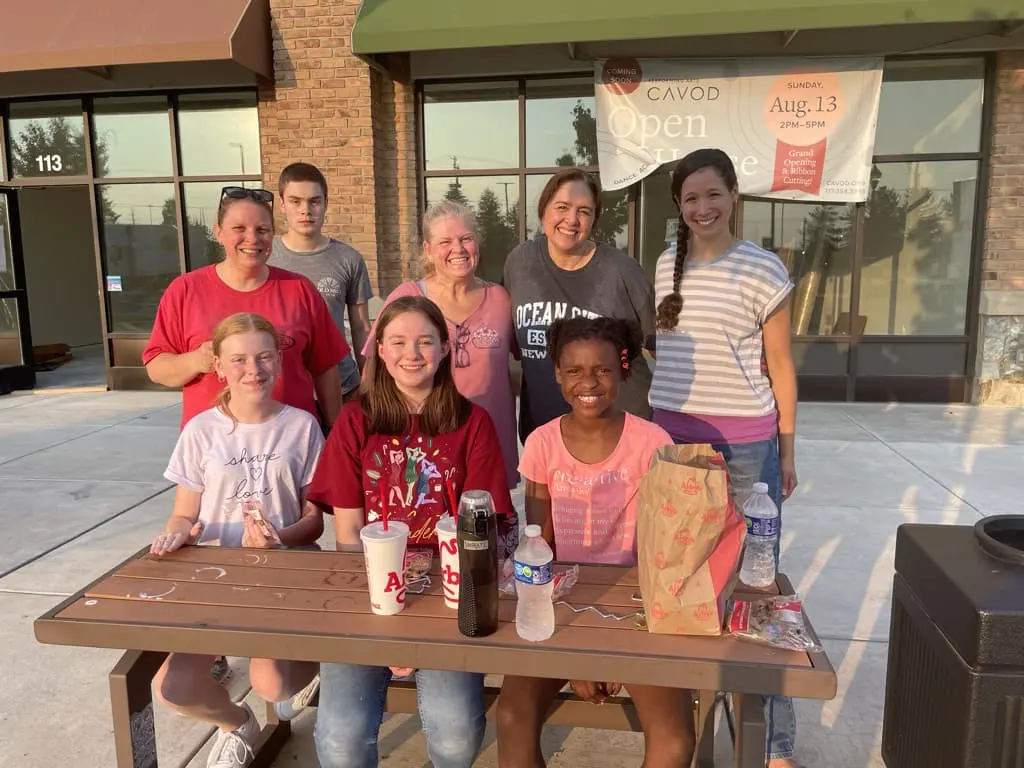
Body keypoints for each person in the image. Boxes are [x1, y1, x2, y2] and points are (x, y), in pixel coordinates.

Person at [306, 295, 517, 768]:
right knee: (340, 736)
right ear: (378, 350)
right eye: (398, 342)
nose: (412, 353)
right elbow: (348, 533)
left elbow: (477, 537)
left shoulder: (472, 423)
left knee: (455, 730)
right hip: (370, 591)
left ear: (445, 348)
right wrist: (390, 626)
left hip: (449, 591)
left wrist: (417, 633)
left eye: (425, 341)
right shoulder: (355, 421)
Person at [650, 148, 799, 768]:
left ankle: (773, 745)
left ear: (734, 195)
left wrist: (786, 450)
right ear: (679, 207)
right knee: (681, 577)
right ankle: (688, 727)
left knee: (752, 587)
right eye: (690, 199)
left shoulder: (763, 270)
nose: (702, 208)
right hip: (675, 445)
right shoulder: (664, 265)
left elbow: (782, 367)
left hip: (744, 447)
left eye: (713, 195)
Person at [496, 316, 695, 768]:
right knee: (511, 715)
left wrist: (610, 656)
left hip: (640, 607)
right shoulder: (542, 444)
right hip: (561, 608)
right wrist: (577, 657)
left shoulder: (653, 443)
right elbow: (537, 549)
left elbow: (669, 549)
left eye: (603, 370)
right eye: (575, 370)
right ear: (558, 375)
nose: (589, 382)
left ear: (624, 370)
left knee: (675, 743)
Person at [150, 312, 324, 768]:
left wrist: (279, 539)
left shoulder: (302, 426)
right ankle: (237, 723)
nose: (254, 369)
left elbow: (315, 519)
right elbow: (184, 512)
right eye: (240, 359)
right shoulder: (201, 430)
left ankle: (313, 667)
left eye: (264, 356)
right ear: (219, 366)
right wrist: (176, 532)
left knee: (274, 685)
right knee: (172, 687)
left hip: (285, 574)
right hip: (219, 577)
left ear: (279, 360)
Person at [143, 187, 348, 431]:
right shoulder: (185, 290)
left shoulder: (299, 290)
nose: (252, 238)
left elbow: (325, 368)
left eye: (262, 230)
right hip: (215, 448)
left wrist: (336, 430)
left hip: (292, 443)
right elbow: (157, 368)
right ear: (218, 232)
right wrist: (198, 360)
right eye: (239, 229)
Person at [364, 201, 518, 487]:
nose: (458, 249)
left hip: (490, 447)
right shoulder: (406, 298)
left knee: (490, 528)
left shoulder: (500, 299)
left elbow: (522, 368)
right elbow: (374, 372)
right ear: (428, 249)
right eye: (445, 241)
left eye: (466, 239)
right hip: (425, 448)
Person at [504, 167, 655, 443]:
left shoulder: (622, 272)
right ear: (543, 210)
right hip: (545, 434)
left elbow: (656, 348)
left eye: (584, 211)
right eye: (562, 207)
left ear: (594, 219)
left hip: (618, 437)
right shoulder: (521, 262)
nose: (571, 220)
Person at [268, 162, 373, 402]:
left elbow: (361, 327)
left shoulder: (348, 259)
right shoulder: (266, 257)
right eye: (296, 201)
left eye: (314, 201)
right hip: (282, 390)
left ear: (326, 203)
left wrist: (369, 379)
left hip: (343, 388)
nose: (306, 210)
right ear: (282, 204)